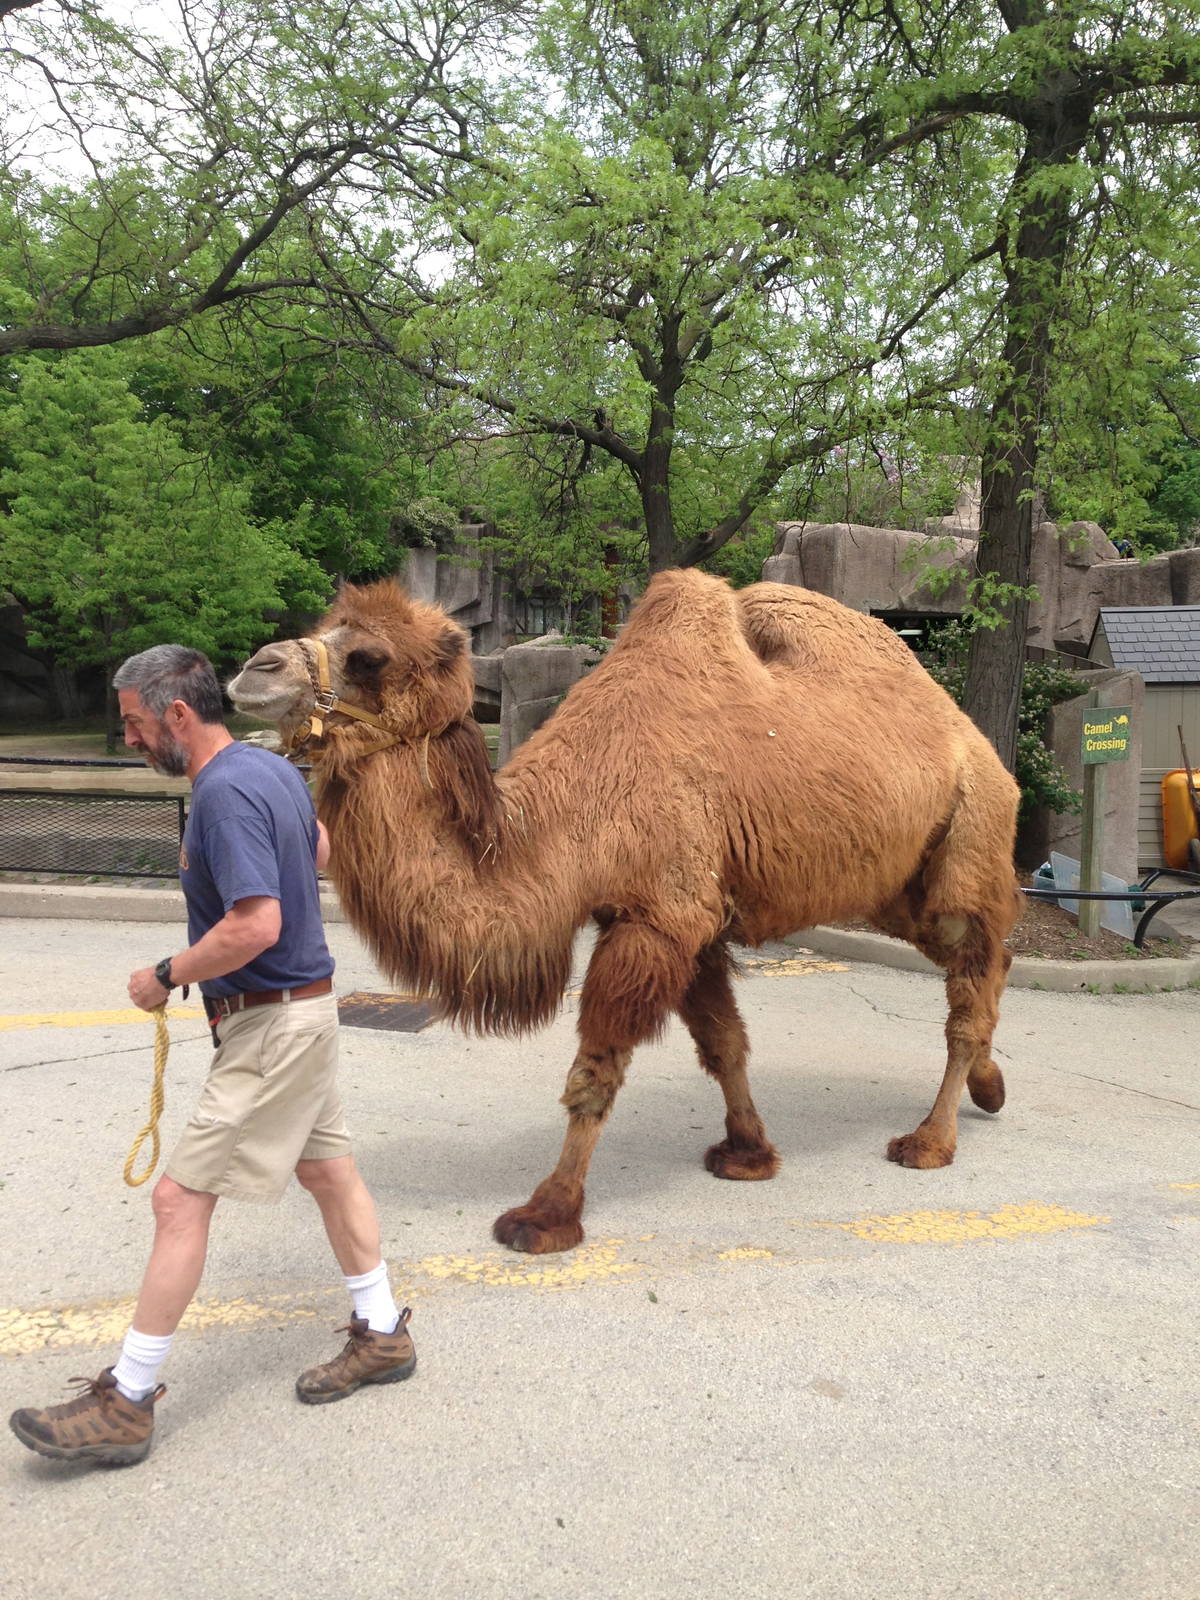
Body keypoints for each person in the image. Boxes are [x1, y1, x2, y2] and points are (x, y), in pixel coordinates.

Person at [10, 645, 414, 1468]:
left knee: (179, 1203)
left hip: (270, 1028)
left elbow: (256, 924)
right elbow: (321, 852)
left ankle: (127, 1400)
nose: (127, 738)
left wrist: (166, 974)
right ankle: (383, 1336)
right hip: (305, 1014)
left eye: (132, 723)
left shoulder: (226, 793)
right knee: (329, 1173)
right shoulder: (265, 773)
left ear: (177, 716)